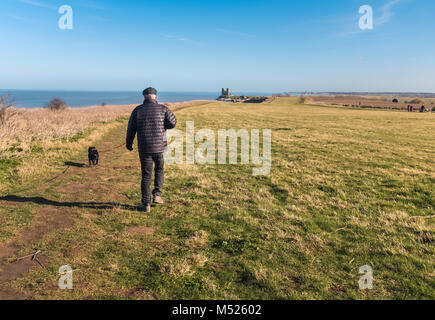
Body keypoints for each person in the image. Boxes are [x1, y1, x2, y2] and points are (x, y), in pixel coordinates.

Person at [126, 87, 177, 212]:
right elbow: (172, 123)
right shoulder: (163, 109)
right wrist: (162, 124)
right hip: (160, 147)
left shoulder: (137, 110)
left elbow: (131, 129)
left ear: (144, 97)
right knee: (159, 170)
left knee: (146, 175)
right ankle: (157, 196)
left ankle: (146, 204)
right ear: (155, 97)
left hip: (144, 148)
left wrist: (129, 143)